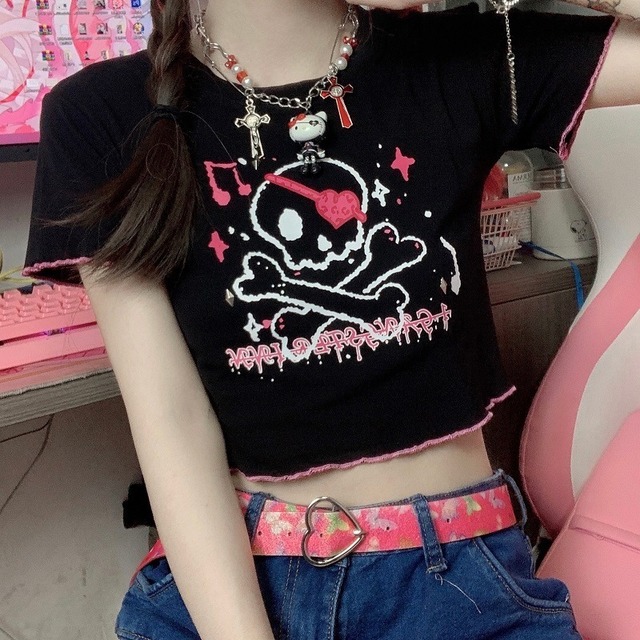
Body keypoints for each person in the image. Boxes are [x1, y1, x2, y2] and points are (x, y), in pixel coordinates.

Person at [22, 0, 640, 638]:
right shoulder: (99, 114)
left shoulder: (469, 54)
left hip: (458, 587)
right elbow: (170, 421)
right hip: (231, 590)